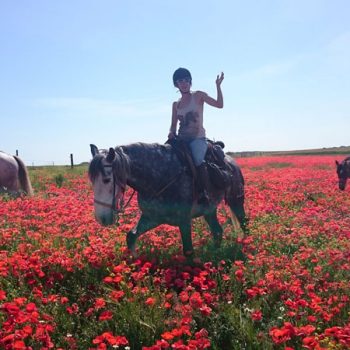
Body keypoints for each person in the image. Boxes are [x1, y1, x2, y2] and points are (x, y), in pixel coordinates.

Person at [168, 67, 224, 206]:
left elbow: (219, 105)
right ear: (176, 84)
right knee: (167, 159)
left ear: (190, 82)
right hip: (181, 139)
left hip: (197, 139)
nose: (184, 83)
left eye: (186, 80)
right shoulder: (176, 104)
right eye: (180, 80)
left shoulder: (198, 96)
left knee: (198, 160)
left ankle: (203, 192)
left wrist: (218, 86)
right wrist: (171, 132)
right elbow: (173, 125)